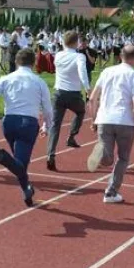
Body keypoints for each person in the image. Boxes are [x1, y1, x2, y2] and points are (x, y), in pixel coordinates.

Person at [0, 49, 53, 206]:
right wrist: (47, 126)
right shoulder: (39, 82)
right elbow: (48, 109)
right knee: (20, 162)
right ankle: (0, 156)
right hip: (28, 124)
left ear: (16, 61)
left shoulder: (6, 79)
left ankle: (27, 190)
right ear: (33, 63)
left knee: (19, 164)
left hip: (9, 123)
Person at [86, 43, 134, 203]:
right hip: (125, 121)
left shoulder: (106, 71)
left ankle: (103, 155)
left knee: (108, 158)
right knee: (123, 158)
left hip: (104, 119)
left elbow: (92, 99)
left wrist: (94, 120)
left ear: (120, 56)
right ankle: (111, 193)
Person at [44, 30, 90, 171]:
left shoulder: (58, 55)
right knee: (81, 111)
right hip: (73, 94)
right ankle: (71, 136)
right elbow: (82, 73)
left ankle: (50, 155)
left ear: (63, 42)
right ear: (77, 43)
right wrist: (88, 89)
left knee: (55, 126)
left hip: (58, 93)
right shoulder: (79, 57)